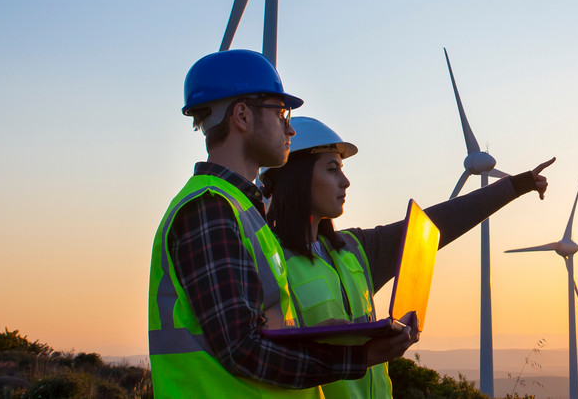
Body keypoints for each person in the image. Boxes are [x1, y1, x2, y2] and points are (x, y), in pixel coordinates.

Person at [147, 50, 416, 398]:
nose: (289, 127)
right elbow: (243, 349)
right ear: (242, 116)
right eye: (280, 113)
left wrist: (331, 334)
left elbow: (262, 329)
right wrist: (359, 357)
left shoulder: (242, 210)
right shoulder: (209, 209)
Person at [260, 117, 554, 399]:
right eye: (332, 169)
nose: (345, 181)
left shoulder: (354, 249)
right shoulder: (265, 261)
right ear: (297, 178)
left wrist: (517, 185)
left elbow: (437, 225)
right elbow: (267, 360)